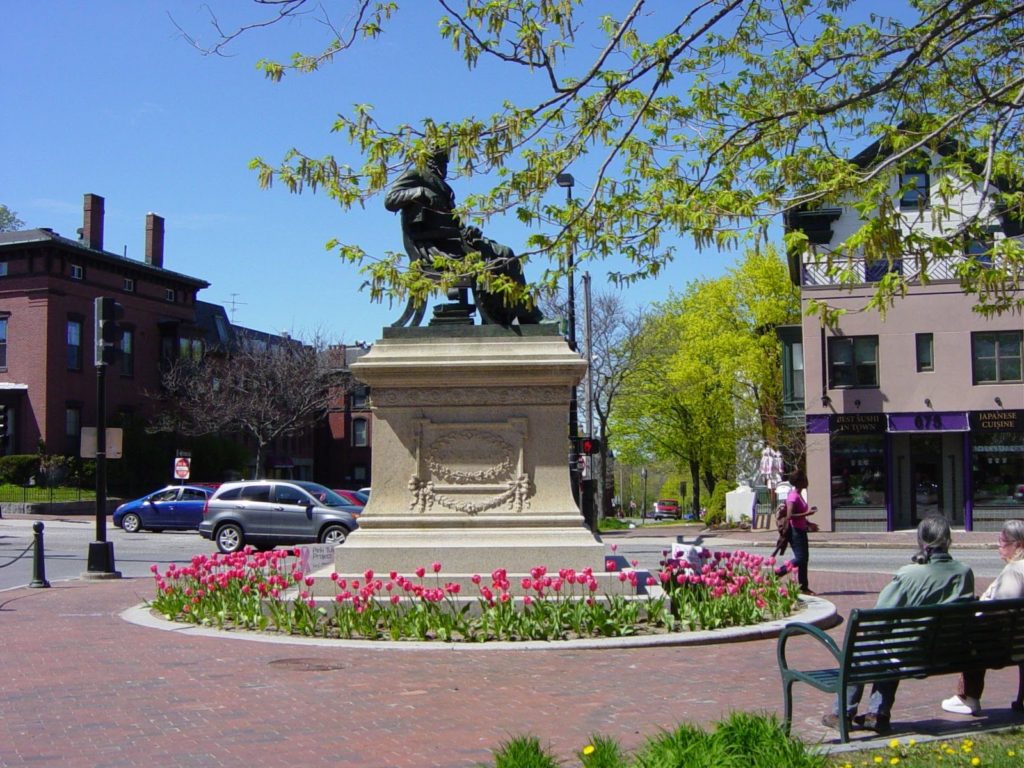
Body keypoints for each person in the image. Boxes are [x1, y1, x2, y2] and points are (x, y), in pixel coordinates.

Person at [823, 516, 975, 734]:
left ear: (921, 541)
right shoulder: (964, 573)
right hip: (945, 653)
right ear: (948, 540)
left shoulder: (909, 574)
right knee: (892, 645)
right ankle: (878, 714)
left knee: (863, 649)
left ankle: (842, 713)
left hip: (909, 654)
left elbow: (879, 618)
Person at [383, 148, 543, 326]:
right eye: (441, 161)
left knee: (504, 254)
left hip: (454, 241)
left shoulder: (442, 186)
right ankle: (521, 316)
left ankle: (511, 314)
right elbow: (390, 200)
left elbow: (454, 223)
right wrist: (420, 191)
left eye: (445, 162)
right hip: (434, 248)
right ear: (430, 160)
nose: (444, 166)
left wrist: (467, 232)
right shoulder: (416, 175)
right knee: (503, 255)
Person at [940, 518, 1024, 716]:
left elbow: (1002, 610)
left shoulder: (1015, 571)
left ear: (1018, 545)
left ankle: (967, 697)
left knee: (973, 638)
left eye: (1003, 541)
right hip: (1020, 639)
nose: (998, 545)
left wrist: (976, 618)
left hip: (1006, 643)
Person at [784, 470, 817, 595]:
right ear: (799, 481)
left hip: (802, 530)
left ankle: (803, 587)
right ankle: (779, 572)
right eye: (805, 479)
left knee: (804, 559)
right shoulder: (793, 496)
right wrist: (807, 514)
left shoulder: (799, 495)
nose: (807, 481)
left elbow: (800, 515)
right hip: (795, 531)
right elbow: (789, 515)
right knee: (800, 558)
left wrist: (809, 524)